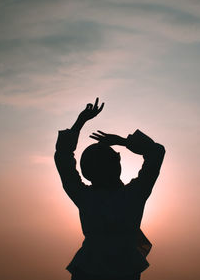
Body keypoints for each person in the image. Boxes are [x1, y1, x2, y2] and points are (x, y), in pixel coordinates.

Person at [55, 98, 165, 280]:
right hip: (126, 270)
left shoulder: (85, 197)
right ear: (115, 166)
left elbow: (63, 157)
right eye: (116, 157)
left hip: (86, 269)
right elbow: (157, 152)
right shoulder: (134, 195)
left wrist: (80, 122)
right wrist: (123, 141)